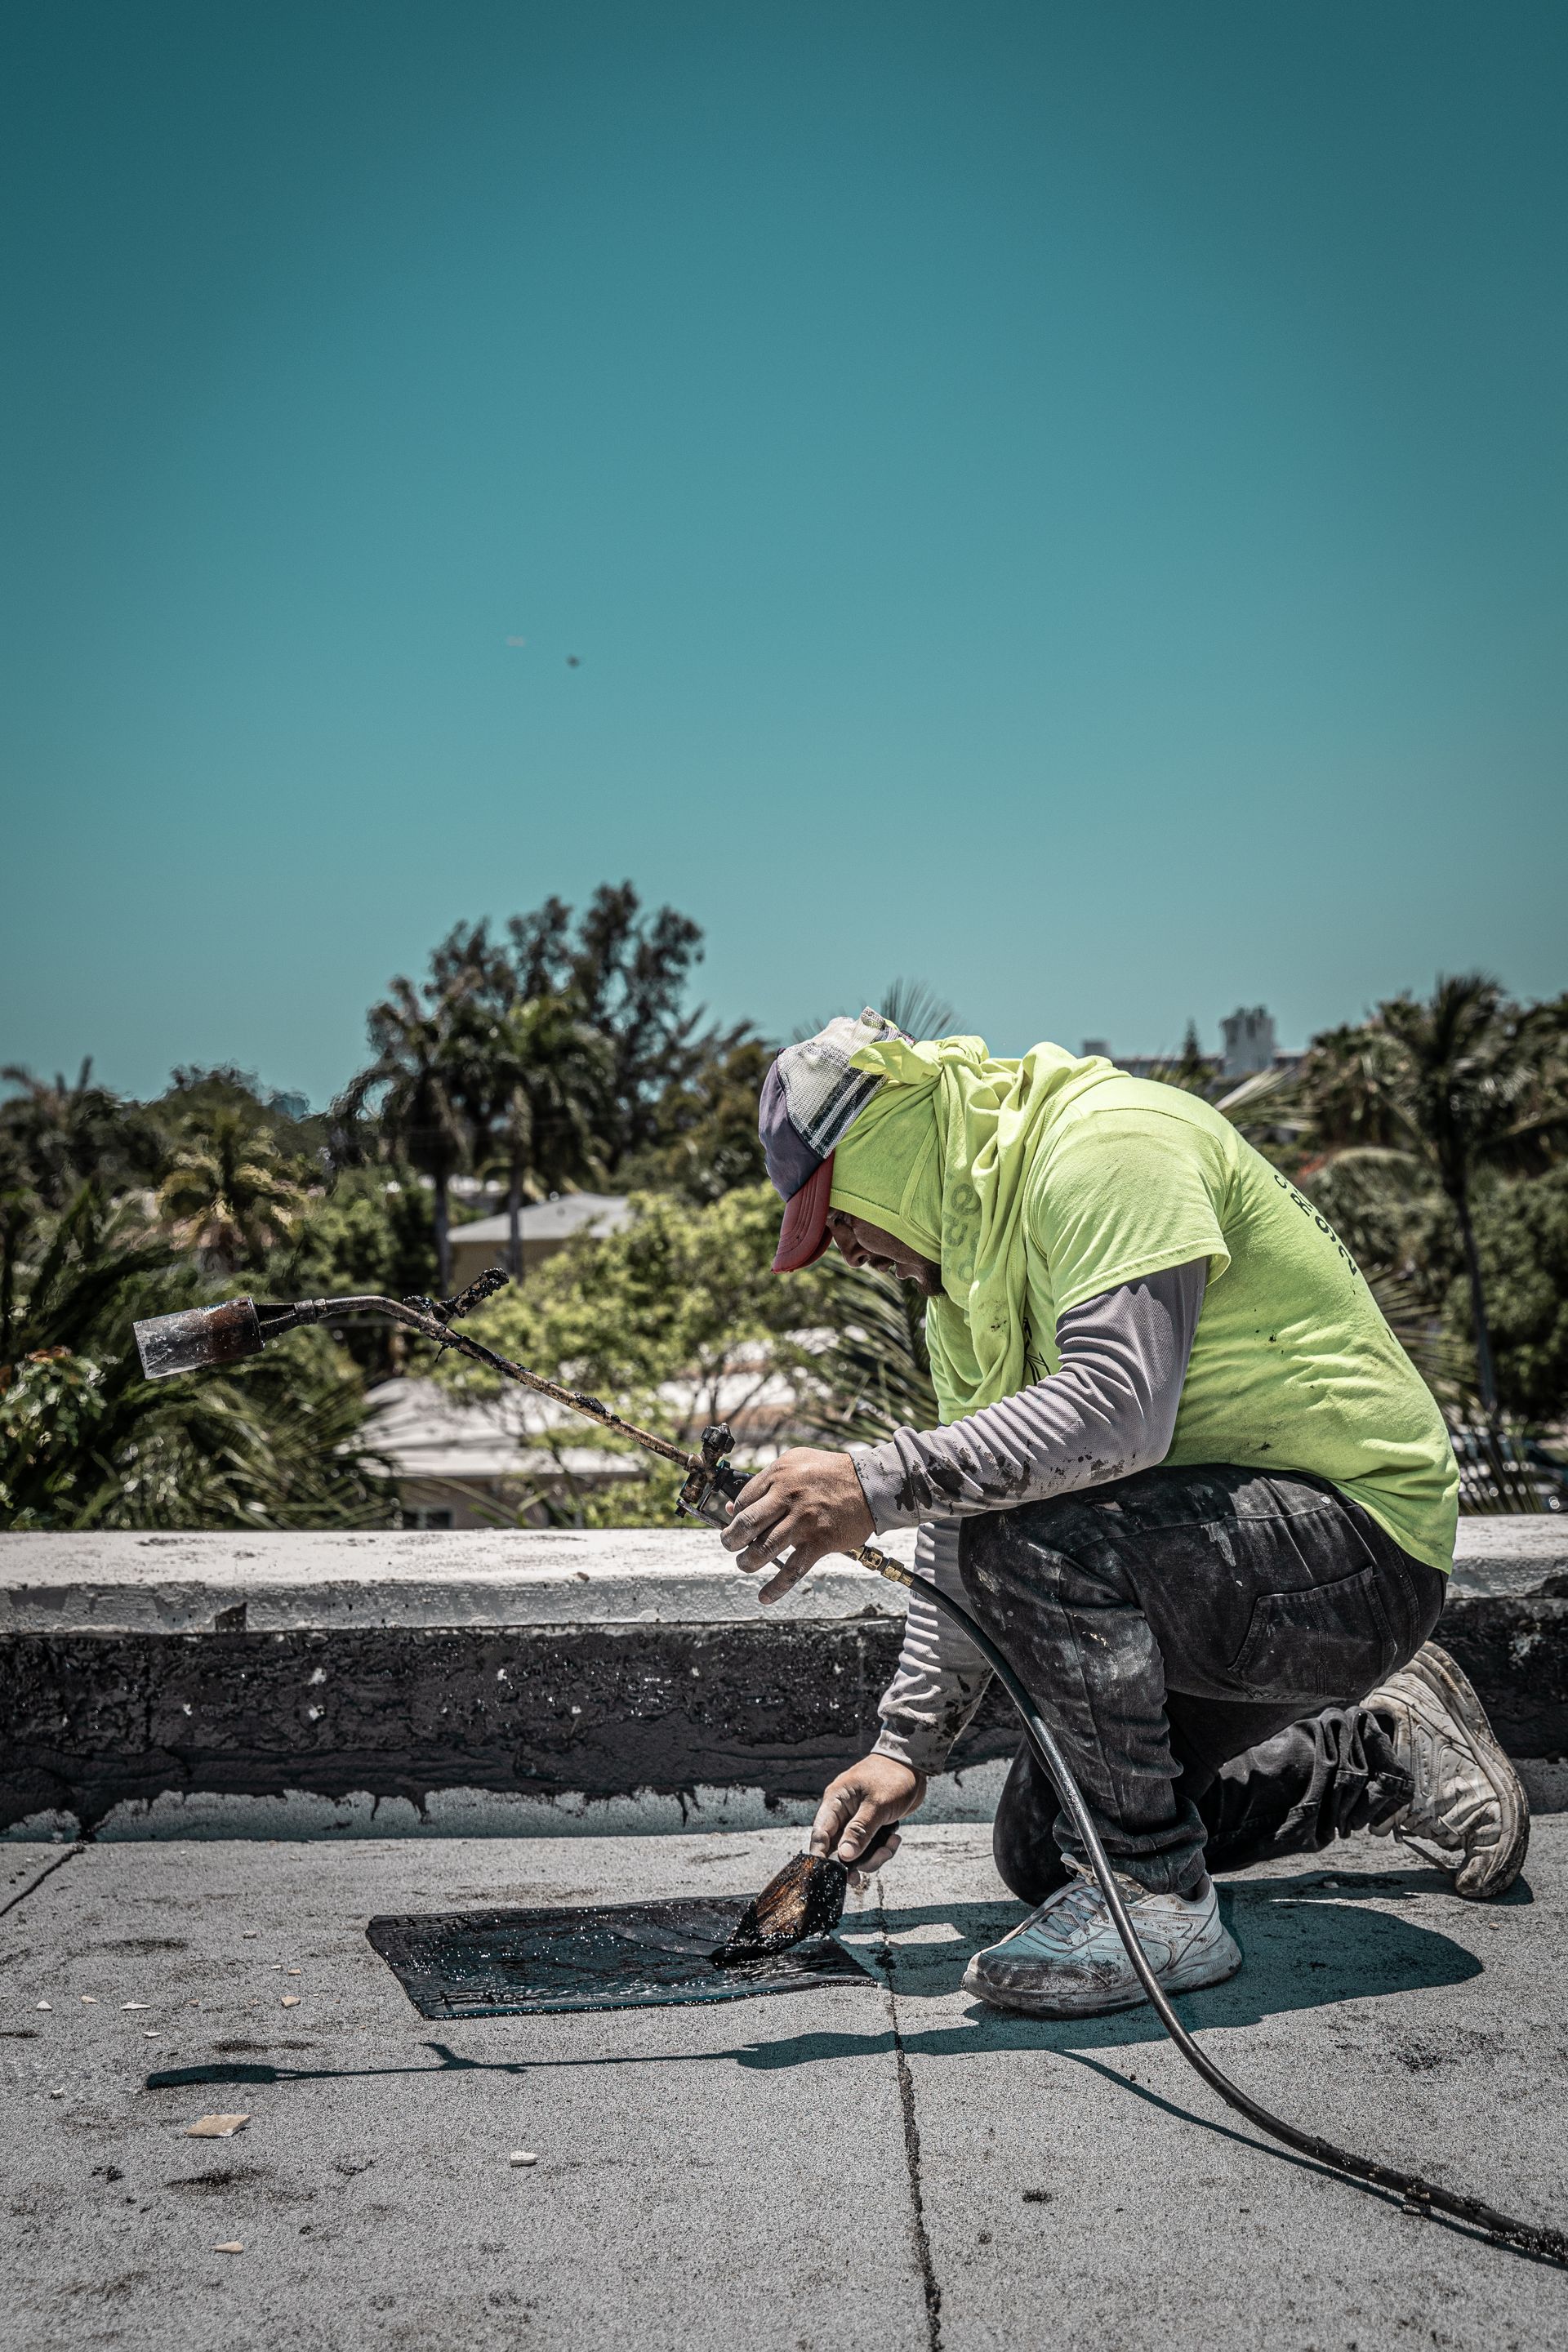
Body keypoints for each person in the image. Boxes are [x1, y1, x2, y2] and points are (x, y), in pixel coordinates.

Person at [721, 1010, 1528, 2020]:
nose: (842, 1248)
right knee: (1038, 1847)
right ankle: (1380, 1752)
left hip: (1361, 1552)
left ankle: (1158, 1904)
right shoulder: (966, 1290)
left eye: (839, 1212)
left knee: (1042, 1547)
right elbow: (964, 1517)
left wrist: (870, 1481)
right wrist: (906, 1748)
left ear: (891, 1143)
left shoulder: (1107, 1143)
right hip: (1219, 1575)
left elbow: (1120, 1408)